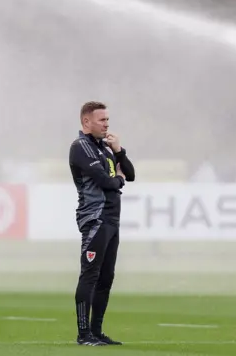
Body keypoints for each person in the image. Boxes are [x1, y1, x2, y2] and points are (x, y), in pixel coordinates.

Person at [69, 101, 135, 346]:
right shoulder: (81, 147)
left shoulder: (105, 148)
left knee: (106, 278)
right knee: (90, 275)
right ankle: (83, 334)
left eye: (108, 119)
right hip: (95, 218)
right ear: (87, 122)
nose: (107, 124)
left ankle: (97, 332)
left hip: (111, 220)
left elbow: (131, 174)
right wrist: (118, 177)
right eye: (102, 120)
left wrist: (119, 152)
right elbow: (108, 182)